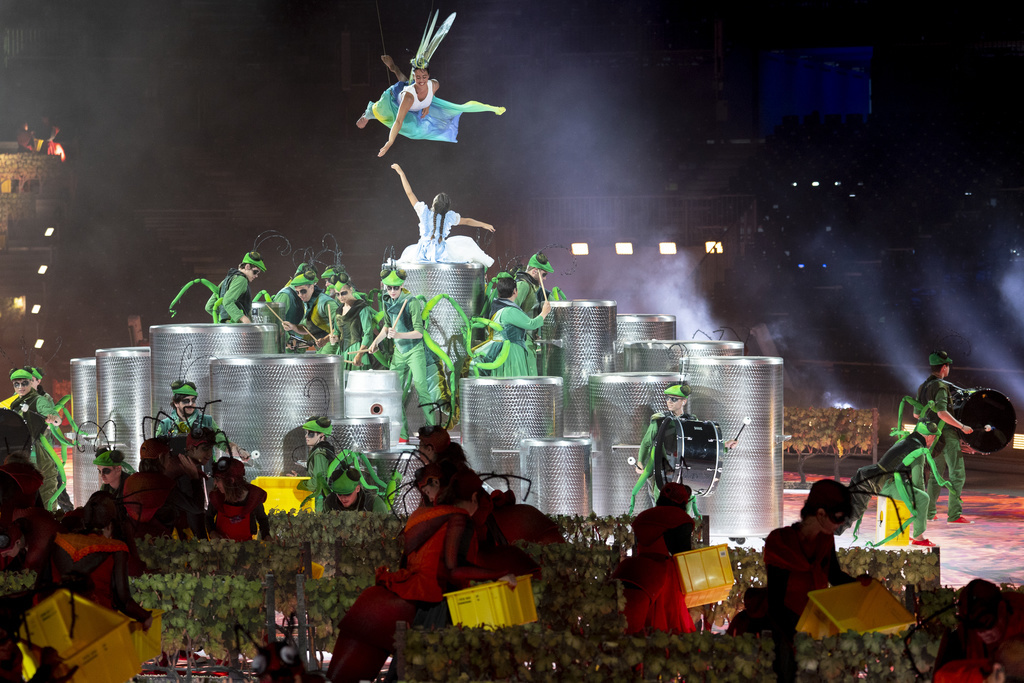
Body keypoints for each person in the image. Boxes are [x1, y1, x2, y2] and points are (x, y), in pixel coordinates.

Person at [325, 469, 517, 683]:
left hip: (392, 590)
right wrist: (499, 575)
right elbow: (453, 569)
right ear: (474, 498)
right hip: (427, 600)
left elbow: (407, 559)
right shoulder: (460, 519)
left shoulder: (423, 514)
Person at [357, 13, 505, 158]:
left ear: (428, 77)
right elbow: (398, 121)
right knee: (393, 122)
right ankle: (366, 114)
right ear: (415, 77)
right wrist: (389, 143)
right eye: (418, 77)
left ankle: (393, 67)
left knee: (410, 96)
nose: (421, 80)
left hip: (405, 96)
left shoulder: (434, 85)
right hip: (388, 104)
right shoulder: (409, 97)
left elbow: (417, 86)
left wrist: (427, 104)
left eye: (424, 77)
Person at [764, 479, 867, 682]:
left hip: (816, 626)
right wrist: (796, 638)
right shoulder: (781, 543)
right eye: (838, 517)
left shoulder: (825, 539)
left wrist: (860, 584)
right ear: (820, 514)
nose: (840, 524)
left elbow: (834, 576)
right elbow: (775, 602)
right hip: (787, 629)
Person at [44, 492, 152, 629]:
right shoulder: (116, 549)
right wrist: (145, 617)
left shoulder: (59, 541)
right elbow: (123, 601)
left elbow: (43, 585)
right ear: (110, 526)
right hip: (98, 624)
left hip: (57, 620)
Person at [631, 383, 738, 514]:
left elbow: (701, 446)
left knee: (684, 510)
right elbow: (646, 443)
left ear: (684, 401)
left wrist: (724, 446)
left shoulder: (691, 421)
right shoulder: (659, 421)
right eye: (668, 398)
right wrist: (640, 462)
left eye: (674, 399)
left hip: (685, 474)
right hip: (665, 473)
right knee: (662, 509)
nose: (669, 402)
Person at [612, 483, 697, 634]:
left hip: (639, 570)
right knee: (670, 618)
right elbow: (682, 553)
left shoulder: (643, 516)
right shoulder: (680, 518)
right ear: (683, 501)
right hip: (665, 572)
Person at [840, 420, 941, 546]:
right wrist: (917, 497)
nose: (934, 441)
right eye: (935, 437)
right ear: (930, 437)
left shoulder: (907, 440)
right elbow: (918, 481)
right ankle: (919, 537)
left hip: (870, 474)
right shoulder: (919, 450)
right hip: (882, 483)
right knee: (923, 498)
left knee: (850, 508)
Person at [368, 269, 441, 440]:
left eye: (395, 288)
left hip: (414, 350)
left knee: (423, 390)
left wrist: (398, 335)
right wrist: (375, 342)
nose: (392, 291)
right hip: (399, 352)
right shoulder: (387, 301)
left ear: (401, 286)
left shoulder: (411, 302)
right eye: (389, 288)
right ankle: (402, 434)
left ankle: (432, 434)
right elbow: (387, 327)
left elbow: (419, 333)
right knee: (394, 393)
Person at [391, 164, 496, 268]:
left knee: (407, 255)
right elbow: (467, 221)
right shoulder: (449, 217)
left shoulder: (424, 212)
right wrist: (484, 225)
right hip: (442, 252)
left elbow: (409, 193)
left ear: (433, 203)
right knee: (467, 242)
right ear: (447, 208)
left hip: (423, 252)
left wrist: (401, 173)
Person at [917, 350, 973, 524]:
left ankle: (929, 512)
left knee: (936, 474)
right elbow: (942, 413)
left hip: (931, 436)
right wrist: (962, 427)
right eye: (948, 366)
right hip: (946, 434)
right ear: (944, 367)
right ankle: (954, 515)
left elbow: (916, 413)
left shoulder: (923, 386)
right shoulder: (941, 387)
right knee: (957, 474)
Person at [933, 579, 1024, 681]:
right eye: (972, 626)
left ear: (1002, 609)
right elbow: (942, 675)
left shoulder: (1020, 617)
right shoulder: (963, 636)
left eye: (986, 621)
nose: (980, 632)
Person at [8, 368, 69, 512]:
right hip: (21, 453)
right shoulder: (16, 403)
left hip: (38, 452)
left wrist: (54, 419)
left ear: (31, 382)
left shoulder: (39, 400)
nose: (21, 387)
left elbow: (55, 417)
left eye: (24, 383)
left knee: (46, 488)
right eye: (17, 384)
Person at [474, 272, 550, 376]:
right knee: (512, 379)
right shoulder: (509, 311)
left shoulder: (497, 306)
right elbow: (532, 324)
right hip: (511, 351)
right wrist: (544, 312)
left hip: (501, 349)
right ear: (515, 291)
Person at [155, 380, 250, 460]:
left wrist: (239, 451)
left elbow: (222, 442)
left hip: (205, 473)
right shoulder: (165, 424)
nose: (191, 404)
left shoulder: (206, 421)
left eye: (193, 400)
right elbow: (157, 451)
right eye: (186, 401)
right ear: (176, 403)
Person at [207, 457, 270, 540]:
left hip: (246, 547)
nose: (215, 483)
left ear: (231, 481)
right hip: (221, 546)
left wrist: (266, 535)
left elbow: (262, 519)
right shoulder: (217, 496)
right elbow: (208, 517)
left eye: (218, 479)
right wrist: (212, 532)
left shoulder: (253, 497)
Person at [322, 277, 376, 367]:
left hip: (358, 350)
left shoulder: (361, 308)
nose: (340, 297)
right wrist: (334, 338)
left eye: (343, 293)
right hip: (342, 352)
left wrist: (359, 354)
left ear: (350, 289)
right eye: (337, 294)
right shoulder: (339, 310)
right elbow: (337, 333)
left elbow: (368, 334)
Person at [281, 268, 339, 351]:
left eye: (303, 291)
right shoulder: (308, 303)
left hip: (334, 345)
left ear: (312, 287)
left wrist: (325, 339)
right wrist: (293, 327)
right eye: (297, 292)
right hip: (321, 346)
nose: (300, 295)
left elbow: (341, 326)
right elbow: (307, 328)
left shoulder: (326, 303)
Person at [206, 251, 266, 323]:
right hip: (238, 329)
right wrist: (243, 319)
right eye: (255, 272)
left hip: (223, 329)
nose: (256, 276)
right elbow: (227, 301)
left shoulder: (227, 279)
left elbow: (209, 307)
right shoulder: (242, 280)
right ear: (247, 266)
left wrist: (224, 318)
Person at [296, 417, 336, 512]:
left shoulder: (319, 454)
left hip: (320, 504)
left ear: (321, 435)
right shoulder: (326, 450)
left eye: (310, 434)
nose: (306, 436)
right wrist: (298, 477)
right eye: (306, 433)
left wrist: (298, 484)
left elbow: (316, 484)